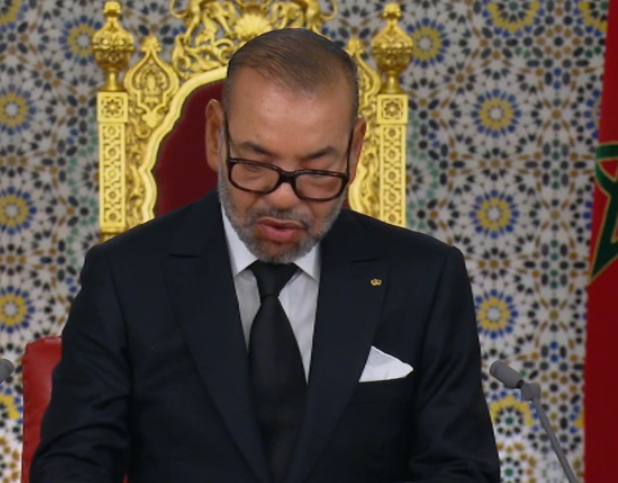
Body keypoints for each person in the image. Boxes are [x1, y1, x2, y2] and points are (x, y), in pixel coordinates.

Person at [31, 28, 500, 483]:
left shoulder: (425, 280)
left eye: (317, 171)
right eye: (255, 165)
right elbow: (74, 464)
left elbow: (460, 468)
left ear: (355, 150)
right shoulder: (125, 276)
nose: (282, 198)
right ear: (216, 135)